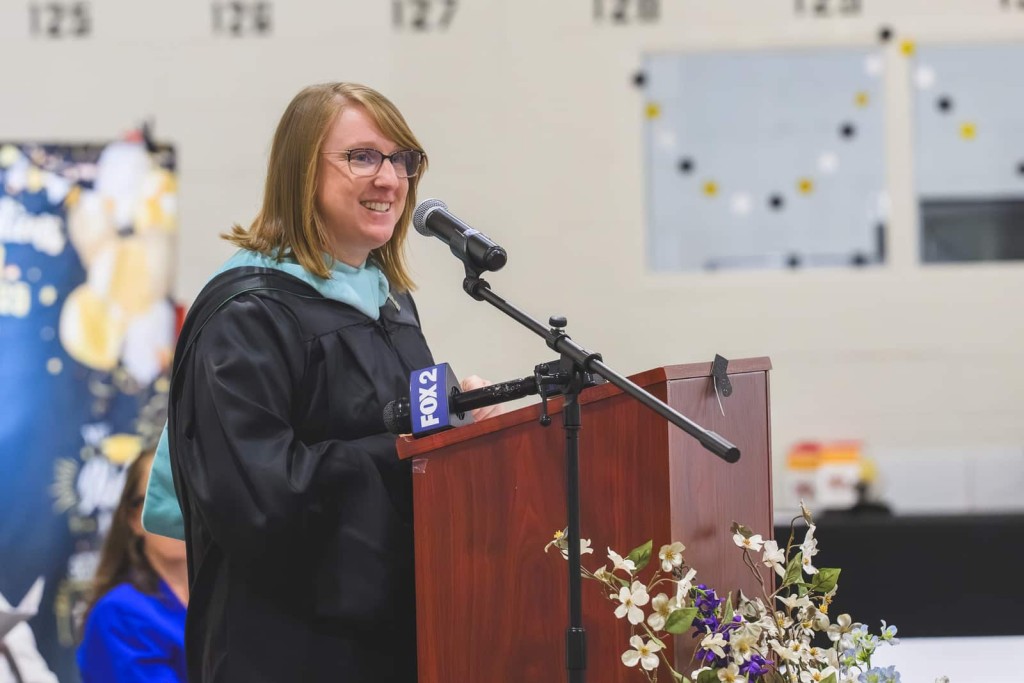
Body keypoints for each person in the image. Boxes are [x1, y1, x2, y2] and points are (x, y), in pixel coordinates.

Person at [141, 82, 499, 683]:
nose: (389, 178)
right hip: (284, 649)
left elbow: (397, 424)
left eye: (402, 159)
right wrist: (412, 451)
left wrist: (457, 420)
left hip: (393, 639)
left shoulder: (391, 304)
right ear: (302, 172)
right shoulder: (247, 314)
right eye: (362, 156)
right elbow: (260, 498)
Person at [77, 450, 188, 682]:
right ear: (134, 519)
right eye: (160, 499)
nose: (178, 513)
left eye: (187, 495)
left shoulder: (231, 597)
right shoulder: (119, 615)